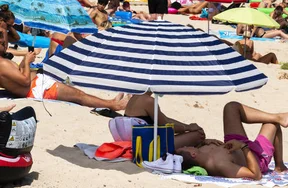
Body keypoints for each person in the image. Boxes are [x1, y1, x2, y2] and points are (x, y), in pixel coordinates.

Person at [178, 102, 288, 179]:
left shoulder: (200, 151)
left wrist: (206, 142)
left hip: (234, 143)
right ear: (193, 154)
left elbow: (202, 145)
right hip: (254, 157)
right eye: (185, 147)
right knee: (272, 124)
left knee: (231, 107)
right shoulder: (220, 165)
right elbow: (255, 174)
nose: (187, 145)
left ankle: (279, 117)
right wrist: (243, 147)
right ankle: (279, 166)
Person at [0, 40, 128, 110]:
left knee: (77, 93)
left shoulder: (3, 63)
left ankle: (109, 102)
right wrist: (27, 62)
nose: (4, 43)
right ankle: (112, 105)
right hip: (38, 89)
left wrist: (25, 62)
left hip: (38, 85)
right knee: (79, 96)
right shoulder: (3, 64)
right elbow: (25, 81)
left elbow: (19, 75)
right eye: (1, 43)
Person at [124, 92, 206, 149]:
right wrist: (187, 128)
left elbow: (165, 118)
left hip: (138, 144)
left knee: (190, 133)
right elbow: (166, 126)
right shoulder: (149, 101)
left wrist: (187, 126)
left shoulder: (134, 98)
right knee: (198, 134)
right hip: (150, 147)